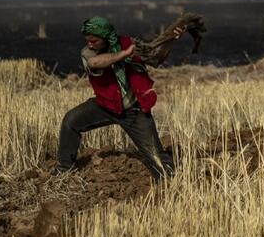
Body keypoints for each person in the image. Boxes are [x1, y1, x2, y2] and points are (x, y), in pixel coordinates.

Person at [56, 16, 183, 181]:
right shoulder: (88, 53)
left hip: (133, 111)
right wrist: (124, 54)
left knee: (157, 157)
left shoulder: (128, 43)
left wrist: (170, 39)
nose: (90, 44)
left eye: (94, 41)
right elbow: (95, 63)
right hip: (105, 106)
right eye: (87, 40)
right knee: (71, 121)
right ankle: (64, 170)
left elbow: (155, 58)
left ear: (106, 38)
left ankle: (168, 184)